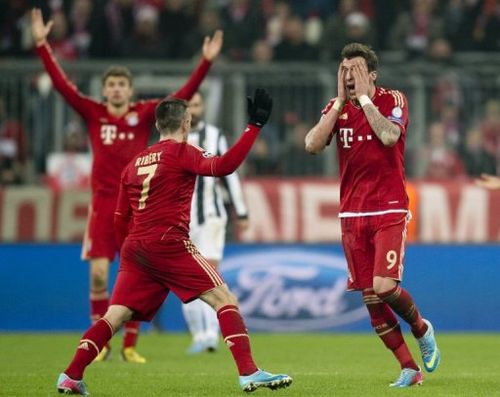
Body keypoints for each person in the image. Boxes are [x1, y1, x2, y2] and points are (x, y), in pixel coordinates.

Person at [55, 89, 293, 395]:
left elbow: (119, 217)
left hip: (135, 248)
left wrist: (128, 254)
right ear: (186, 123)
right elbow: (224, 166)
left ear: (156, 126)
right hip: (169, 242)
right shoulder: (183, 152)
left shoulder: (135, 162)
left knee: (115, 315)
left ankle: (71, 375)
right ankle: (248, 373)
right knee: (225, 300)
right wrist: (253, 127)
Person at [31, 8, 223, 363]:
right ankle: (102, 345)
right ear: (104, 90)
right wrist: (42, 44)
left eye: (122, 85)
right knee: (101, 275)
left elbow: (179, 98)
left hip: (141, 206)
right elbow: (61, 86)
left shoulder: (143, 114)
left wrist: (205, 64)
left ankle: (129, 346)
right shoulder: (93, 112)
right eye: (111, 85)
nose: (116, 89)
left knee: (133, 277)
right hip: (104, 203)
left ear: (130, 90)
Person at [305, 43, 441, 388]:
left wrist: (365, 100)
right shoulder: (336, 109)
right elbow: (311, 144)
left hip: (389, 207)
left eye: (357, 70)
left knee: (384, 287)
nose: (350, 77)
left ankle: (422, 328)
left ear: (372, 75)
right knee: (371, 300)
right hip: (352, 214)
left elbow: (389, 135)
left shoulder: (393, 99)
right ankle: (409, 369)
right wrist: (337, 104)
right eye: (345, 70)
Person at [182, 91, 249, 354]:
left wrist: (241, 211)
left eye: (197, 104)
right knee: (186, 279)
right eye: (189, 105)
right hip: (181, 221)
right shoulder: (172, 141)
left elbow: (229, 175)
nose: (194, 110)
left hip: (210, 216)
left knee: (208, 275)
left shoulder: (214, 135)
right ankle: (199, 334)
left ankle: (210, 333)